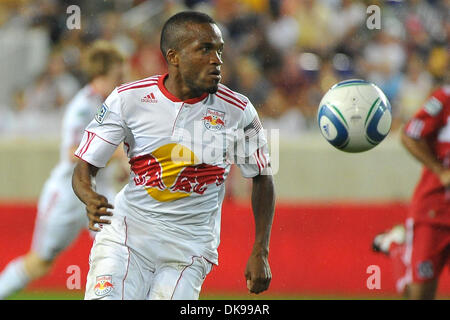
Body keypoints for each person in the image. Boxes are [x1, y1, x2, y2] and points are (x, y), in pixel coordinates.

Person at [72, 11, 275, 300]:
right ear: (174, 56)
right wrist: (90, 196)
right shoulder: (128, 99)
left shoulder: (238, 110)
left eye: (219, 50)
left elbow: (262, 177)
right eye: (205, 49)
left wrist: (261, 250)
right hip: (127, 237)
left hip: (189, 250)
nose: (216, 59)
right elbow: (85, 166)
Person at [0, 40, 126, 299]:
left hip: (99, 191)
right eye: (118, 73)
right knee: (41, 263)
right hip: (68, 194)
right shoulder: (82, 106)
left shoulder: (116, 104)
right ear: (103, 73)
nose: (122, 78)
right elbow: (72, 153)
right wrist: (114, 153)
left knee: (120, 250)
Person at [373, 84, 450, 299]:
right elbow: (409, 135)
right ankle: (397, 247)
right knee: (417, 295)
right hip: (434, 212)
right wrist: (440, 171)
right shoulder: (444, 99)